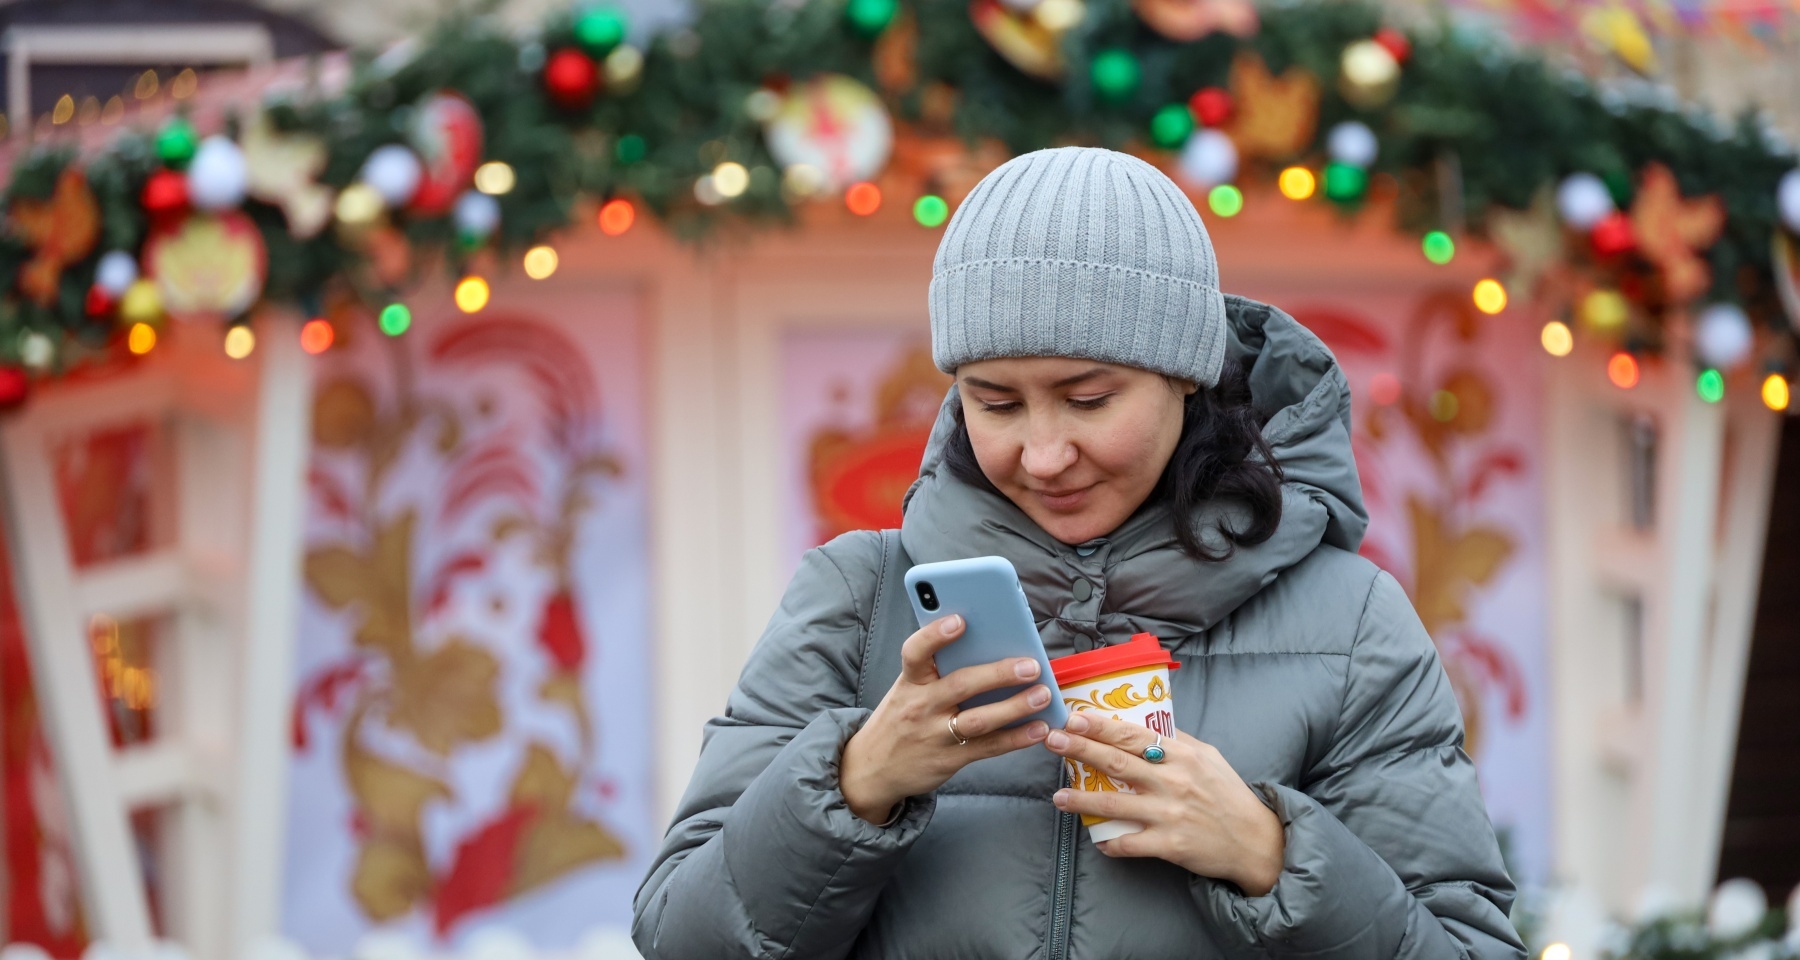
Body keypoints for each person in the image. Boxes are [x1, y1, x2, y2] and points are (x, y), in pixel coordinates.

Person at [633, 146, 1525, 959]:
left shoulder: (1350, 623)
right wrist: (856, 781)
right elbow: (683, 939)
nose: (1045, 454)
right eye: (997, 403)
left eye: (1089, 400)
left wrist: (1269, 853)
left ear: (1185, 371)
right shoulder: (858, 596)